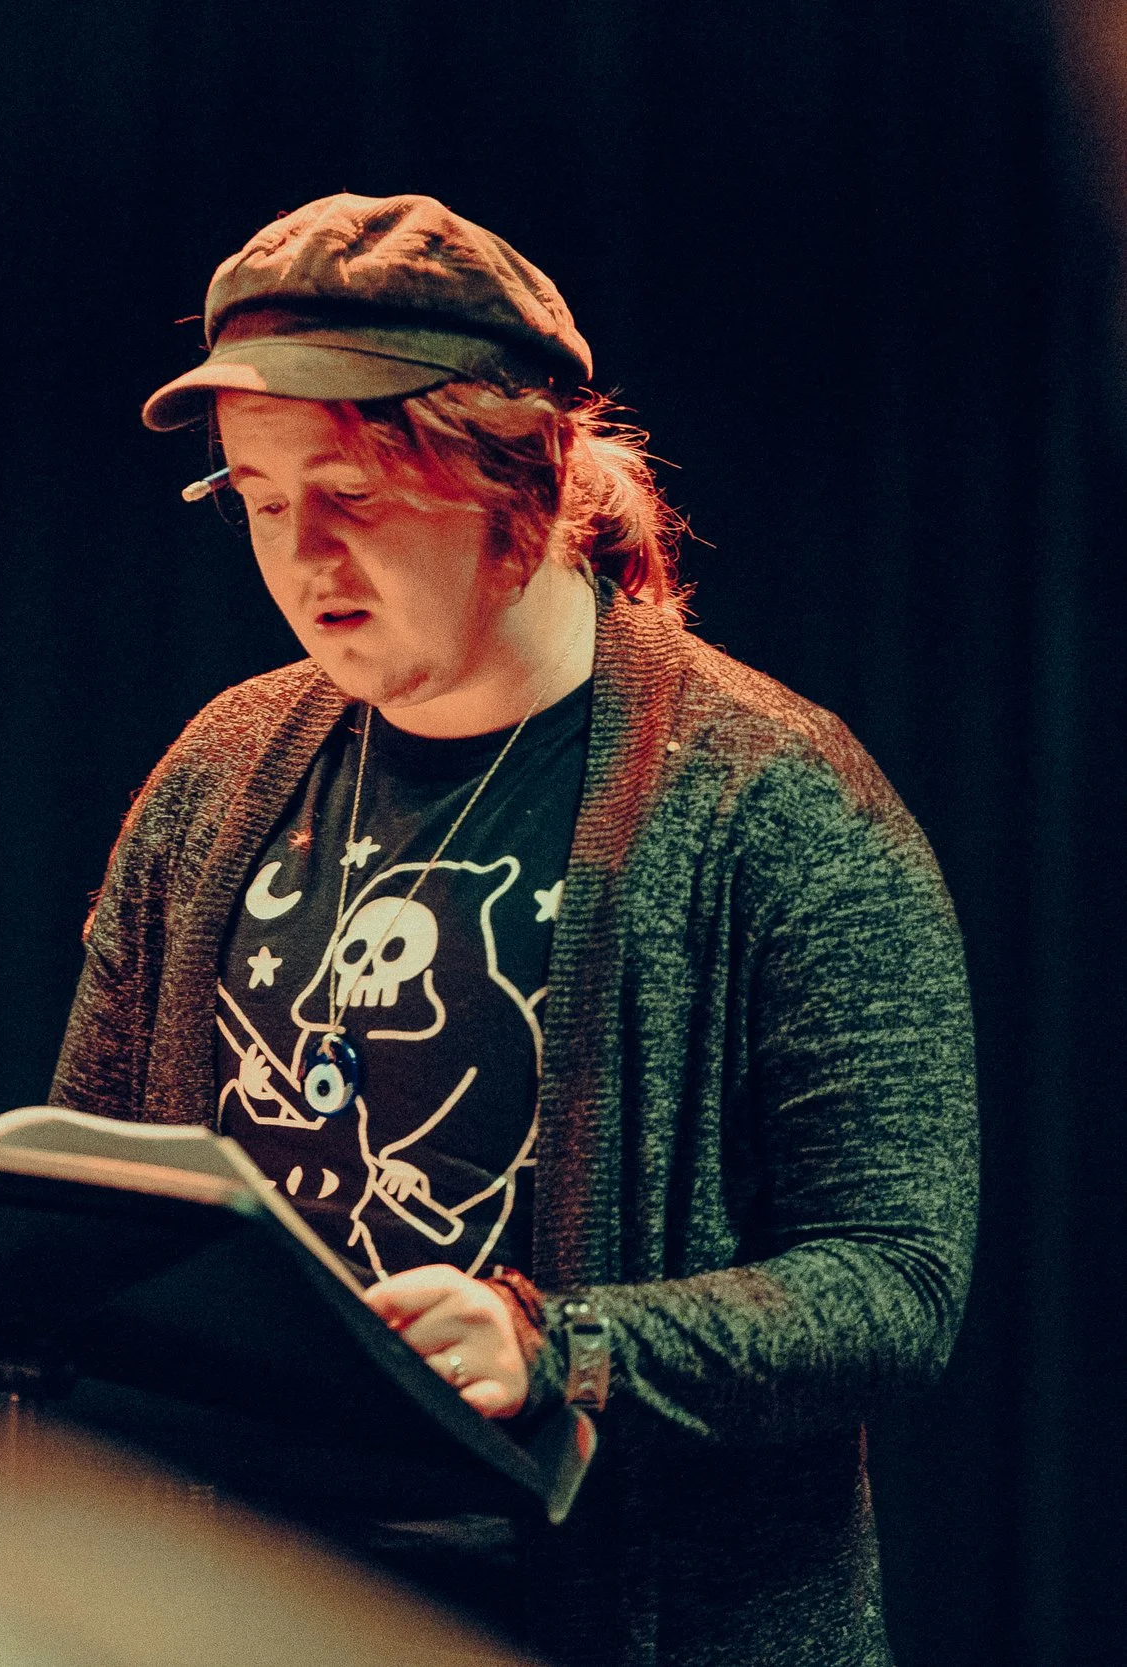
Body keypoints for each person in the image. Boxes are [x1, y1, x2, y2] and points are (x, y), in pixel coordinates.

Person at [49, 193, 976, 1665]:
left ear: (527, 481)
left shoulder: (773, 800)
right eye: (261, 502)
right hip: (253, 1603)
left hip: (606, 1616)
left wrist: (567, 1350)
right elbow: (91, 1174)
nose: (303, 558)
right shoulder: (222, 771)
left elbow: (893, 1281)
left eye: (349, 493)